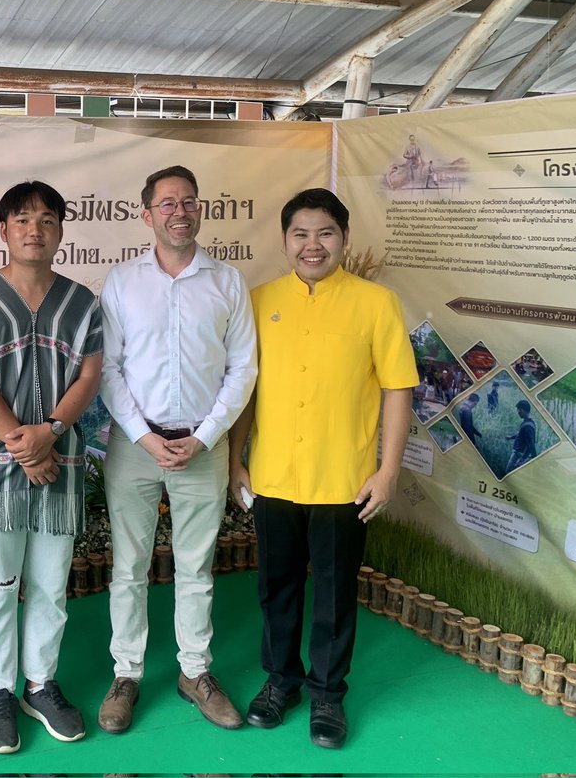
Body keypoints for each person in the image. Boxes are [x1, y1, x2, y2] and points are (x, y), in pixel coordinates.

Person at [228, 188, 417, 750]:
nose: (313, 245)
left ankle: (328, 694)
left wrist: (387, 472)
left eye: (325, 233)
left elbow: (398, 389)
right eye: (301, 234)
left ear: (345, 239)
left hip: (344, 479)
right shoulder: (259, 300)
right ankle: (280, 680)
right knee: (275, 587)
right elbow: (248, 391)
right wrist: (237, 459)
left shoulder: (376, 303)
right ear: (285, 241)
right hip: (273, 476)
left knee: (335, 591)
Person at [96, 165, 257, 735]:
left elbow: (243, 368)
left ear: (200, 210)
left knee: (196, 567)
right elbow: (108, 369)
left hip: (203, 445)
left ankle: (195, 672)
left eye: (188, 201)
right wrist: (144, 435)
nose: (179, 211)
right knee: (129, 567)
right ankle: (127, 674)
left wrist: (206, 436)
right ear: (146, 215)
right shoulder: (120, 282)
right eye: (166, 203)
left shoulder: (227, 281)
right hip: (135, 446)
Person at [0, 181, 103, 755]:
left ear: (61, 229)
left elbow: (88, 377)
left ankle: (39, 685)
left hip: (60, 462)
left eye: (46, 219)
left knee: (48, 586)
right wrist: (23, 445)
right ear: (4, 231)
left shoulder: (82, 302)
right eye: (22, 220)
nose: (34, 229)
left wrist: (51, 434)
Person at [504, 400, 537, 476]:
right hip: (518, 453)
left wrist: (521, 460)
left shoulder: (528, 426)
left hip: (518, 454)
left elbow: (530, 445)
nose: (518, 412)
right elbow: (521, 435)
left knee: (508, 472)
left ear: (522, 410)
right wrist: (511, 437)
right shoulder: (528, 422)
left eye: (518, 410)